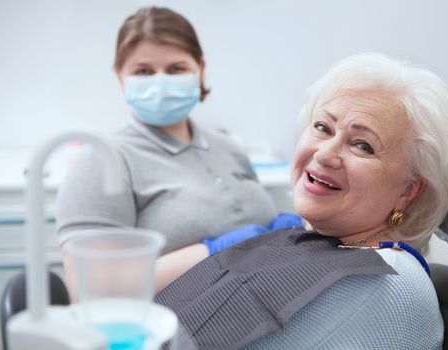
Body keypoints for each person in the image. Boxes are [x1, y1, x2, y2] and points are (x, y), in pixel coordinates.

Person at [153, 53, 448, 350]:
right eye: (322, 127)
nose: (324, 154)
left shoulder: (386, 279)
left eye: (363, 146)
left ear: (408, 191)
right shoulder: (316, 242)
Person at [55, 6, 285, 300]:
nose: (161, 82)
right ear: (120, 77)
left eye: (176, 69)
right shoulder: (103, 161)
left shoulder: (226, 146)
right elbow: (94, 290)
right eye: (144, 71)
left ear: (200, 71)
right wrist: (212, 252)